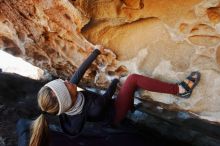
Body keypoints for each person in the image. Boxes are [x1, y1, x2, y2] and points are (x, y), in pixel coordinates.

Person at [25, 46, 200, 146]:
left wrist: (95, 52)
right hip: (114, 113)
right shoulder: (91, 109)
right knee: (132, 80)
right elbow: (107, 96)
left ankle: (130, 105)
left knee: (126, 89)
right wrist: (115, 81)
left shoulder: (68, 100)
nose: (65, 81)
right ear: (67, 98)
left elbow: (77, 74)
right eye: (64, 85)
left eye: (62, 81)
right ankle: (181, 90)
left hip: (105, 108)